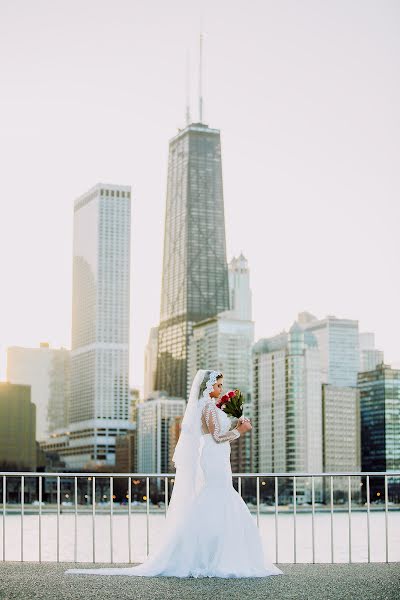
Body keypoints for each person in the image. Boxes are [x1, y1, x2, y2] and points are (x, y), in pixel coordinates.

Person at [65, 369, 283, 578]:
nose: (220, 388)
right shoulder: (206, 406)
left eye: (220, 385)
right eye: (217, 385)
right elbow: (217, 436)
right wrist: (240, 431)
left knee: (220, 497)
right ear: (207, 387)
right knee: (219, 495)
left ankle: (217, 552)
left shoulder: (210, 406)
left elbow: (219, 433)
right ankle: (210, 554)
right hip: (214, 455)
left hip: (219, 456)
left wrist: (235, 423)